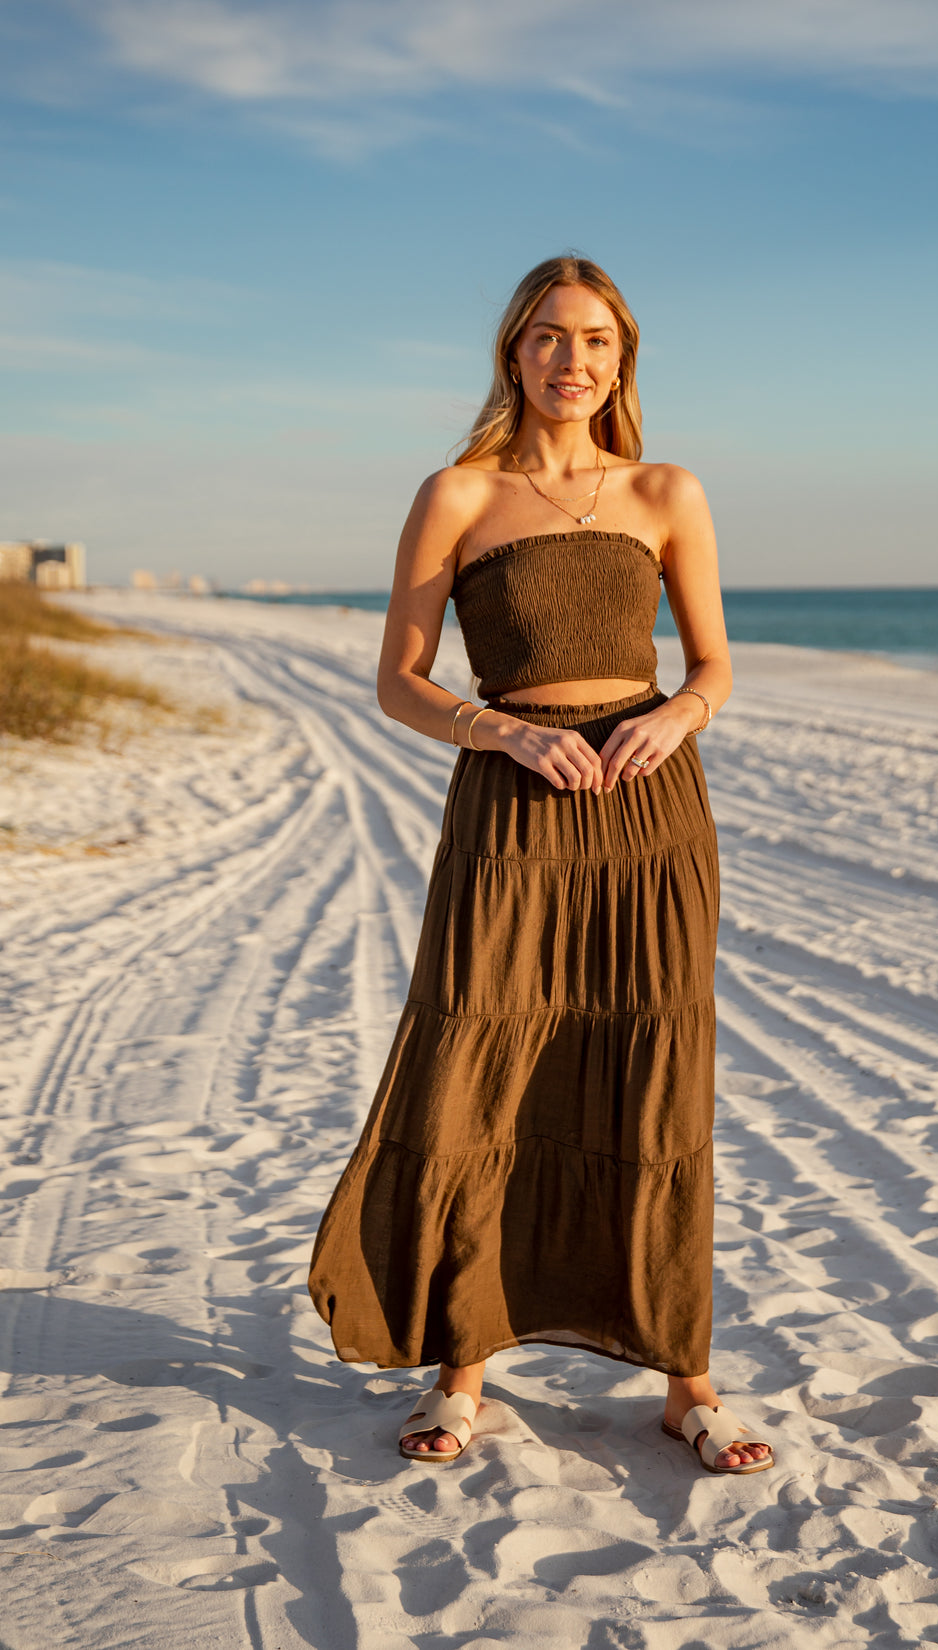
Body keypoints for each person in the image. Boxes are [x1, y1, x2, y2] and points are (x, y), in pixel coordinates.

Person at [308, 254, 774, 1476]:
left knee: (654, 1075)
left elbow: (714, 665)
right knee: (482, 1062)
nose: (574, 361)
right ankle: (461, 1370)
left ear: (622, 361)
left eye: (599, 343)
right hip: (511, 813)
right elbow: (396, 681)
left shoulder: (667, 490)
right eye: (550, 338)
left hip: (649, 812)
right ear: (512, 351)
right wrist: (505, 728)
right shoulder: (458, 494)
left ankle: (686, 1384)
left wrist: (676, 716)